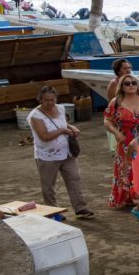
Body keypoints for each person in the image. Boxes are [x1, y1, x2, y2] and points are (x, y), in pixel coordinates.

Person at [28, 85, 94, 220]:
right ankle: (53, 211)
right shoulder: (35, 115)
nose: (50, 103)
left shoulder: (60, 108)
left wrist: (72, 127)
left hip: (66, 152)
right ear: (40, 100)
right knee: (48, 186)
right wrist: (63, 131)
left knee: (74, 179)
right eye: (47, 100)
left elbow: (63, 123)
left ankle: (80, 207)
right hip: (47, 156)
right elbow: (44, 136)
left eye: (52, 100)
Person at [104, 74, 139, 209]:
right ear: (121, 86)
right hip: (125, 141)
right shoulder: (115, 103)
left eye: (134, 83)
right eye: (127, 83)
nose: (131, 86)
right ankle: (129, 197)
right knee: (127, 169)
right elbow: (107, 120)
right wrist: (116, 133)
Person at [105, 58, 133, 153]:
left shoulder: (132, 82)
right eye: (125, 68)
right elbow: (111, 104)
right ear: (118, 71)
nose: (128, 70)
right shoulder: (114, 83)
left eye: (129, 67)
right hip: (118, 118)